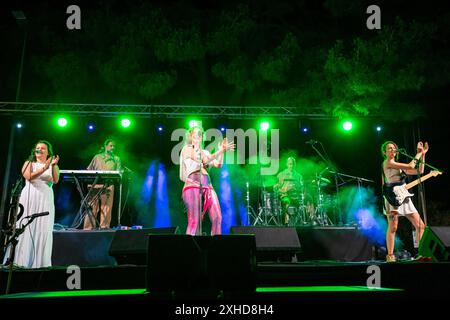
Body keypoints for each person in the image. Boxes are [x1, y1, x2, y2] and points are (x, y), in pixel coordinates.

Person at [3, 140, 60, 268]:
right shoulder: (29, 163)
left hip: (45, 197)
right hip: (30, 197)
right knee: (25, 226)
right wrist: (44, 168)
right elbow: (28, 177)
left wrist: (52, 166)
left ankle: (40, 263)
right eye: (38, 148)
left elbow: (56, 180)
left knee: (43, 228)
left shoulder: (53, 165)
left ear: (48, 152)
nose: (39, 150)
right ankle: (20, 260)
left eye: (43, 148)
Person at [179, 126, 235, 235]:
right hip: (192, 185)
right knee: (194, 221)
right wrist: (220, 151)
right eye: (194, 134)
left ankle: (215, 248)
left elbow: (218, 164)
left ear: (202, 137)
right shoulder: (187, 149)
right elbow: (204, 160)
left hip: (208, 186)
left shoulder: (205, 152)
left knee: (217, 218)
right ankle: (188, 249)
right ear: (190, 136)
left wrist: (222, 152)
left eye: (200, 135)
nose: (197, 137)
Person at [381, 140, 428, 262]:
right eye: (389, 148)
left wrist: (423, 155)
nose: (392, 150)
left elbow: (419, 170)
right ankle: (390, 256)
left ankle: (421, 253)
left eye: (393, 148)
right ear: (385, 152)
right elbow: (411, 165)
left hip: (404, 196)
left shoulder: (398, 165)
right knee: (393, 227)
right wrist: (418, 153)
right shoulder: (388, 162)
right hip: (392, 196)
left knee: (420, 225)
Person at [84, 138, 122, 230]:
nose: (112, 147)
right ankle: (88, 228)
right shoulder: (97, 157)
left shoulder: (116, 159)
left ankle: (104, 227)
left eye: (114, 146)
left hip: (108, 185)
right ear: (105, 146)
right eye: (110, 145)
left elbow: (118, 173)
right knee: (92, 207)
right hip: (95, 184)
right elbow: (89, 170)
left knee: (106, 208)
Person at [273, 157, 303, 226]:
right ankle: (287, 222)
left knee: (309, 198)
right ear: (287, 164)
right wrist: (278, 186)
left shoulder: (299, 176)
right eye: (290, 164)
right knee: (287, 201)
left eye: (293, 164)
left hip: (295, 195)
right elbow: (276, 185)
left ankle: (312, 219)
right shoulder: (281, 174)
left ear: (295, 165)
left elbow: (301, 187)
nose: (291, 166)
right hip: (285, 195)